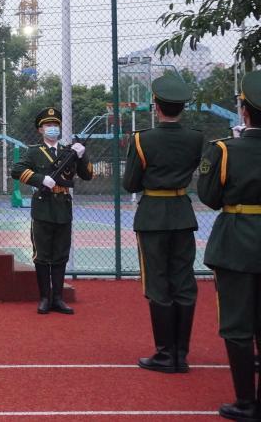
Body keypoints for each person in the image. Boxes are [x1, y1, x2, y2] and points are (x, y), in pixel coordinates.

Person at [122, 74, 203, 374]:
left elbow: (130, 184)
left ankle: (165, 354)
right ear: (182, 106)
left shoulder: (142, 139)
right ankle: (181, 354)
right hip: (182, 214)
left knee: (157, 283)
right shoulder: (196, 139)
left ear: (155, 105)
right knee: (183, 281)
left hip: (153, 216)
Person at [198, 71, 261, 421]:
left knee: (238, 325)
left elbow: (209, 197)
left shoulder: (224, 150)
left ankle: (245, 402)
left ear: (244, 112)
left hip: (236, 242)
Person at [10, 107, 93, 315]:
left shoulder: (68, 152)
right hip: (43, 207)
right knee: (42, 254)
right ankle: (45, 298)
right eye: (48, 125)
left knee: (60, 254)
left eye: (55, 125)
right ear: (40, 129)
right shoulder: (34, 152)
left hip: (63, 207)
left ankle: (58, 298)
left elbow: (87, 175)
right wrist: (40, 179)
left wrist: (82, 156)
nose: (52, 128)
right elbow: (16, 170)